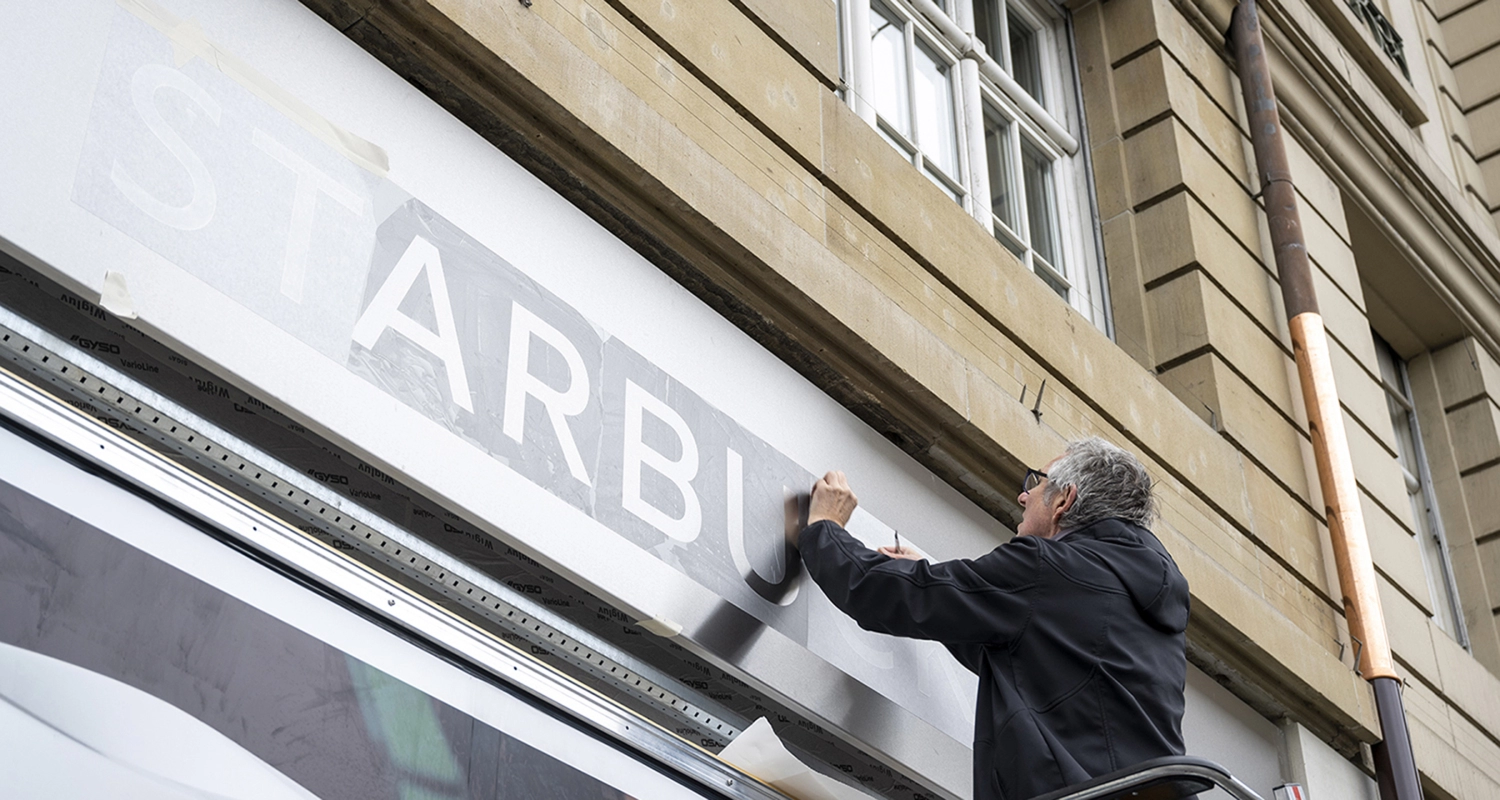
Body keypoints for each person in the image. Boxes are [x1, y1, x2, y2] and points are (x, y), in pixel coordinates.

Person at [795, 437, 1189, 800]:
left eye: (1035, 482)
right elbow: (1031, 664)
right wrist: (934, 585)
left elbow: (881, 593)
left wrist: (825, 527)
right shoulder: (1144, 599)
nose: (1023, 495)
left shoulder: (1046, 568)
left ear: (1064, 500)